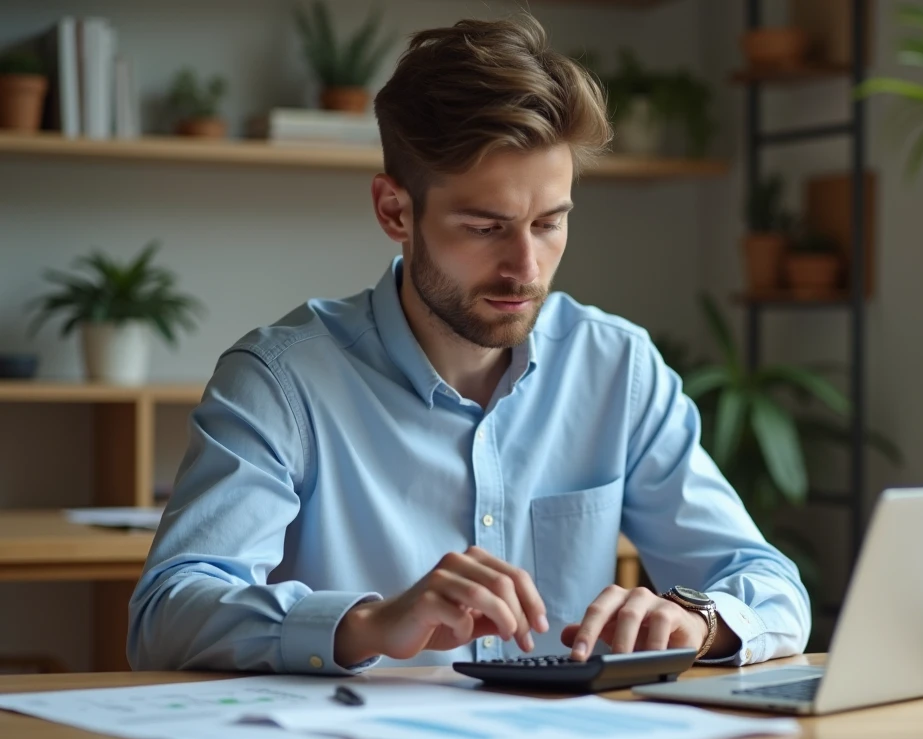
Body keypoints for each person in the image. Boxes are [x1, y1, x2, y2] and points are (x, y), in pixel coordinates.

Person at [127, 14, 810, 675]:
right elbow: (166, 614)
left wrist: (701, 621)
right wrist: (367, 624)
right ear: (395, 210)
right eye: (485, 228)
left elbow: (768, 584)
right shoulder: (280, 382)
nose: (526, 268)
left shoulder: (617, 369)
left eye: (549, 223)